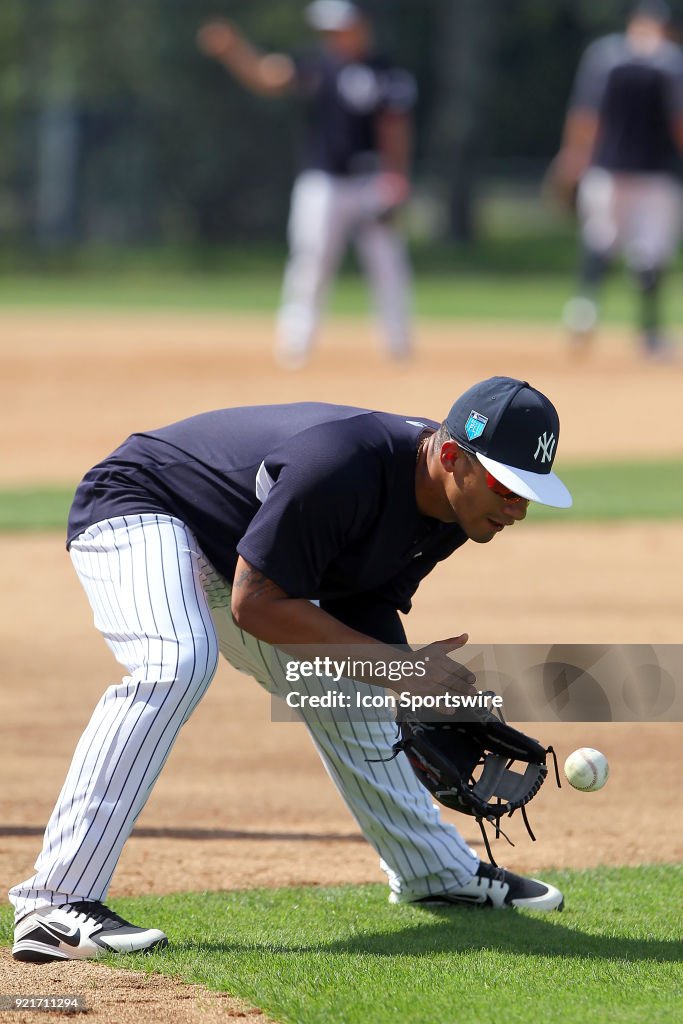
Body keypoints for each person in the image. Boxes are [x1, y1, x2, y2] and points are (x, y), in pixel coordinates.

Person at [10, 377, 572, 962]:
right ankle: (55, 902)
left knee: (346, 682)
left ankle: (434, 870)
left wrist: (412, 688)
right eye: (508, 487)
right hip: (142, 503)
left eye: (529, 492)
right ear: (451, 456)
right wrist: (402, 672)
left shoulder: (450, 509)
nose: (519, 509)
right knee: (176, 661)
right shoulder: (343, 464)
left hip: (235, 555)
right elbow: (255, 605)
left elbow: (362, 602)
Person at [197, 1, 416, 369]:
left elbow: (396, 128)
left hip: (372, 181)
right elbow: (267, 77)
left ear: (362, 25)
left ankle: (398, 343)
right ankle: (295, 343)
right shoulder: (316, 64)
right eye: (329, 30)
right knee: (311, 260)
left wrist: (396, 178)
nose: (334, 36)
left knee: (388, 263)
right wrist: (234, 50)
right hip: (324, 180)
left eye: (341, 28)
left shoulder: (386, 72)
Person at [554, 0, 683, 358]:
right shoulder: (672, 62)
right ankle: (651, 333)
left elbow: (585, 114)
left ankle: (583, 313)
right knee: (651, 253)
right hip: (657, 174)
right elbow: (678, 122)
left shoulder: (604, 56)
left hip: (607, 170)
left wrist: (573, 157)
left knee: (600, 241)